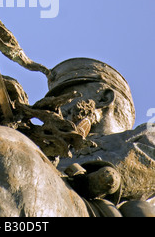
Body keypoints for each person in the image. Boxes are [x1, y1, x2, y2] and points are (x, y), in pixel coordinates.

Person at [46, 58, 155, 217]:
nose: (58, 110)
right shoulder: (54, 153)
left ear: (104, 99)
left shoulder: (145, 135)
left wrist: (92, 176)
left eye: (68, 98)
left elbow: (148, 165)